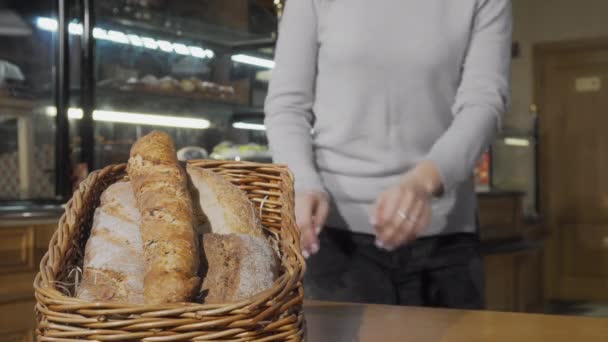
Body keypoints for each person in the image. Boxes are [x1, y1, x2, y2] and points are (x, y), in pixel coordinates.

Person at [264, 0, 511, 309]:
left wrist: (424, 181)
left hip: (445, 241)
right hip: (336, 240)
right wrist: (302, 183)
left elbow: (484, 102)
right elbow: (286, 107)